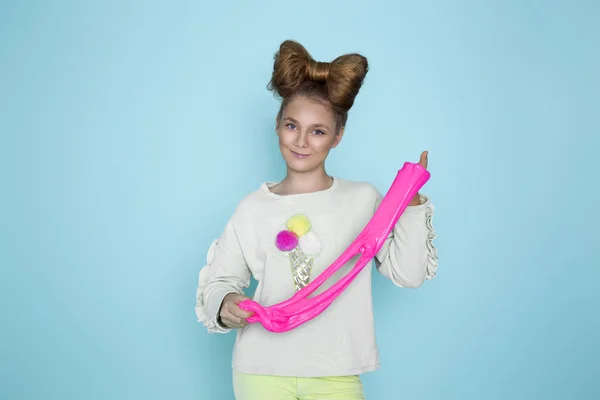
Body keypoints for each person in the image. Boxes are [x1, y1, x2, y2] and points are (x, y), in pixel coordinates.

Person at [195, 39, 438, 400]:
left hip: (335, 372)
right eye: (292, 126)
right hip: (260, 370)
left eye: (318, 131)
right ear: (277, 126)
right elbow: (220, 280)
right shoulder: (252, 207)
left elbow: (409, 273)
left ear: (337, 137)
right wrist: (226, 302)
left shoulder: (362, 199)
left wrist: (411, 202)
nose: (302, 141)